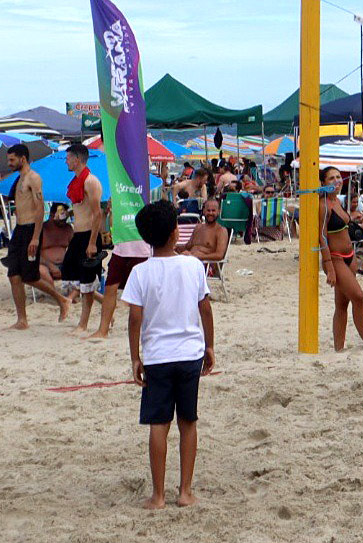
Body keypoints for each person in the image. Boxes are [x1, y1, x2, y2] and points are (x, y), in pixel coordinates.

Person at [123, 200, 215, 509]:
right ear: (176, 233)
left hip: (158, 357)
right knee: (188, 422)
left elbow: (135, 318)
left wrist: (135, 357)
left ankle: (158, 495)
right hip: (190, 353)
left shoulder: (140, 272)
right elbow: (205, 307)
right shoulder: (192, 265)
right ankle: (185, 491)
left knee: (158, 424)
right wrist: (210, 346)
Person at [3, 144, 69, 327]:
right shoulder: (18, 179)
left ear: (22, 159)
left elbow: (40, 209)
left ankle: (62, 300)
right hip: (19, 230)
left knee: (29, 276)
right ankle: (22, 320)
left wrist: (35, 237)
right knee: (14, 275)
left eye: (12, 160)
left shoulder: (33, 178)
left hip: (31, 230)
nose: (9, 163)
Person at [317, 166, 363, 352]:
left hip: (349, 257)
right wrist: (329, 266)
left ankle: (338, 349)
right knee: (359, 298)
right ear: (323, 183)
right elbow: (322, 237)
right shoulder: (323, 205)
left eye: (339, 177)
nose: (336, 181)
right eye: (331, 178)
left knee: (342, 304)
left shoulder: (338, 202)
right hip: (336, 259)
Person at [87, 204, 152, 341]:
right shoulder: (119, 197)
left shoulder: (144, 191)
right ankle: (103, 330)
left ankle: (147, 329)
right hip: (121, 248)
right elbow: (112, 227)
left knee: (143, 293)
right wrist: (111, 211)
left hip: (141, 248)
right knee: (110, 288)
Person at [61, 143, 104, 333]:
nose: (66, 161)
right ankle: (107, 304)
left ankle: (83, 324)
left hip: (89, 236)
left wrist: (93, 242)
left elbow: (97, 214)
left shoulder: (90, 181)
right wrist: (67, 213)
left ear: (77, 159)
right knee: (72, 275)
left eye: (68, 158)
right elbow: (81, 207)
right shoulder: (77, 181)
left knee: (86, 282)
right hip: (78, 235)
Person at [177, 199, 229, 264]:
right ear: (204, 211)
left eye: (213, 211)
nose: (210, 213)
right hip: (190, 261)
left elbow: (219, 255)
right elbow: (187, 247)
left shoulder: (221, 231)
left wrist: (197, 256)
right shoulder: (198, 227)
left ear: (218, 212)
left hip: (207, 265)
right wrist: (174, 247)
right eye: (208, 210)